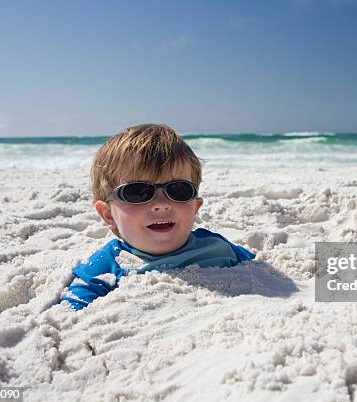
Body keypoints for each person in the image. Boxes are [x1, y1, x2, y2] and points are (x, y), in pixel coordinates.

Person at [61, 124, 254, 310]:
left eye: (178, 190)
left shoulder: (218, 247)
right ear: (108, 214)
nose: (161, 204)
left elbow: (260, 269)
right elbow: (71, 308)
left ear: (195, 207)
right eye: (138, 192)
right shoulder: (109, 263)